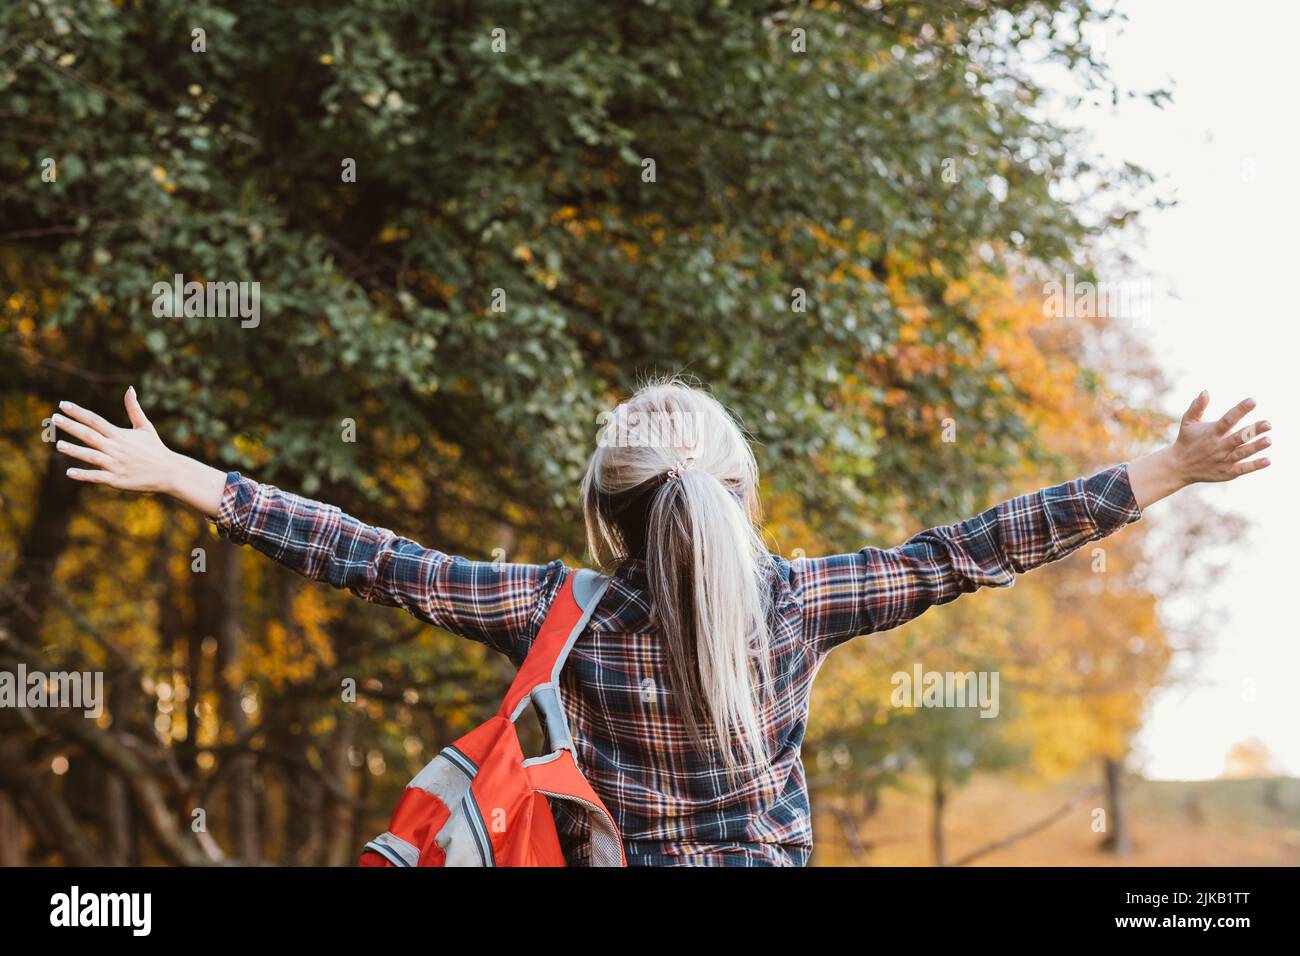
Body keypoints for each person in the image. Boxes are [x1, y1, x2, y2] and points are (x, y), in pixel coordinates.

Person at [53, 378, 1271, 865]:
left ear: (604, 515)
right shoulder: (800, 602)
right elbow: (969, 550)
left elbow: (370, 557)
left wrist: (188, 477)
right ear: (743, 499)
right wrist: (1161, 468)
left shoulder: (555, 609)